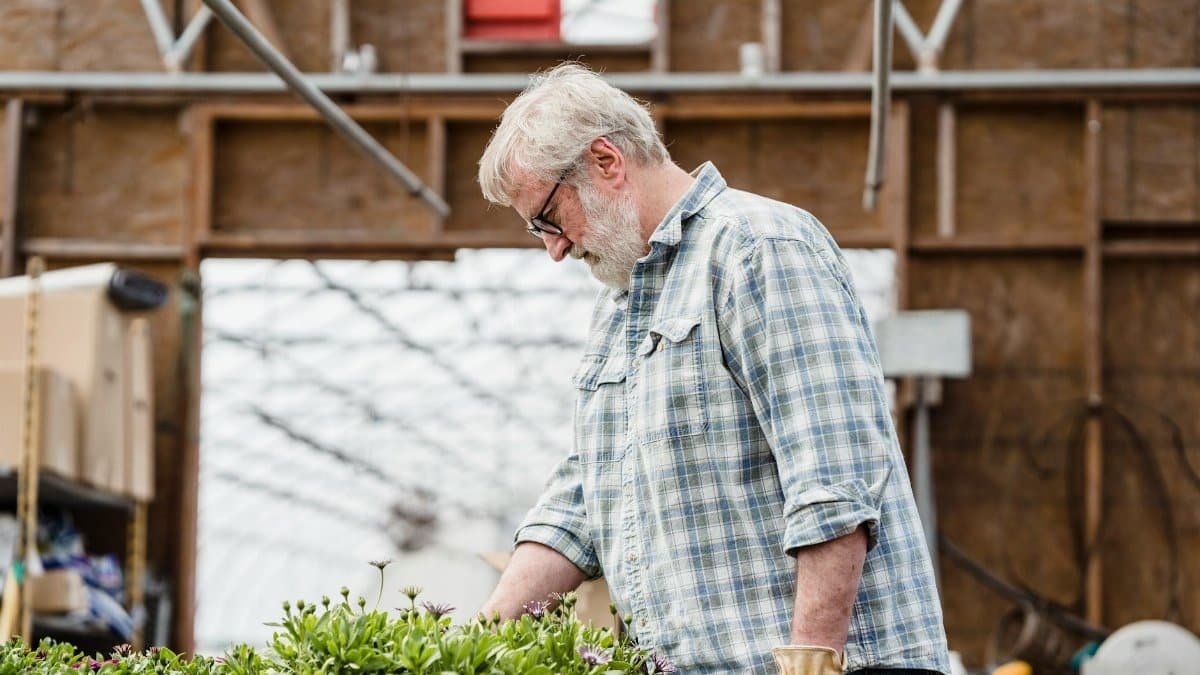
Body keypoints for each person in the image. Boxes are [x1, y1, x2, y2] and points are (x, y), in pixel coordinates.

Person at [476, 63, 950, 675]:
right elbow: (584, 500)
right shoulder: (621, 308)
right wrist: (475, 643)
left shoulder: (759, 249)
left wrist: (809, 665)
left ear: (604, 162)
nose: (554, 247)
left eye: (547, 215)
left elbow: (831, 481)